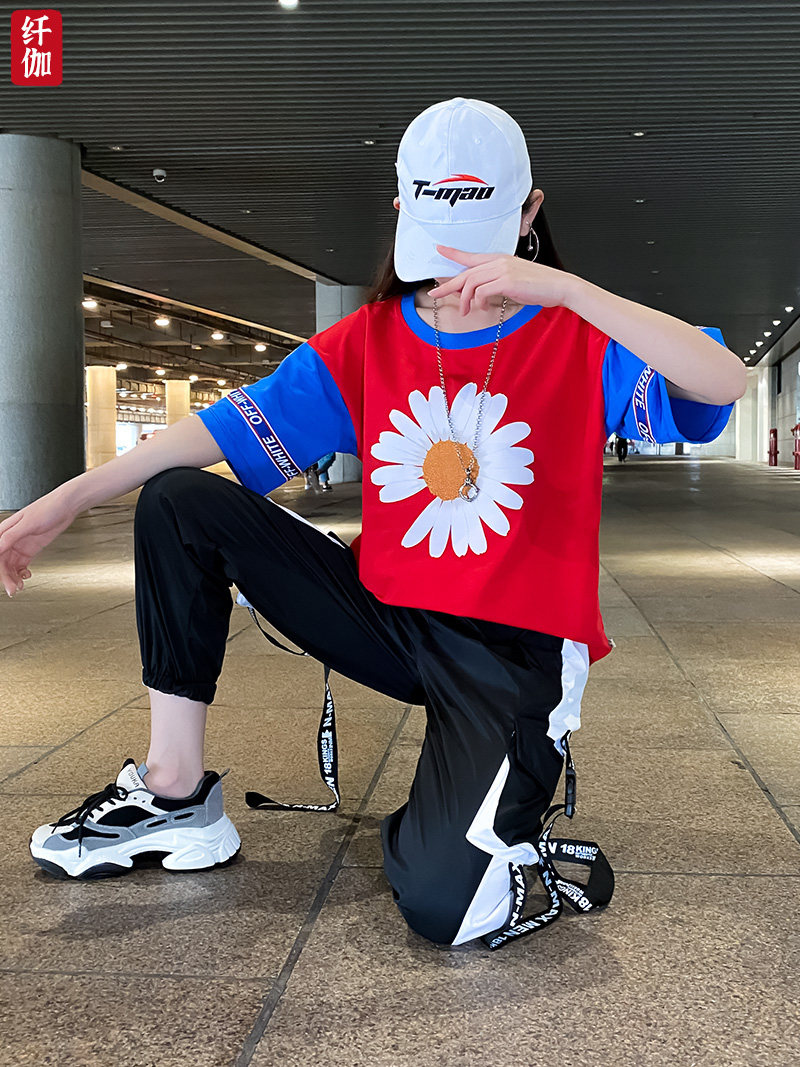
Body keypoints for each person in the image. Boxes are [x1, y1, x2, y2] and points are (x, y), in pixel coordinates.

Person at [0, 97, 745, 948]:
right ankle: (175, 792)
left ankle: (469, 813)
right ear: (402, 211)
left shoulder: (581, 336)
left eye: (481, 237)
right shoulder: (368, 340)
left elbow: (722, 380)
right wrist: (62, 501)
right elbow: (214, 431)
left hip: (513, 651)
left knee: (445, 909)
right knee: (179, 500)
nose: (457, 270)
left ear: (530, 212)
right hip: (387, 611)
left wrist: (568, 290)